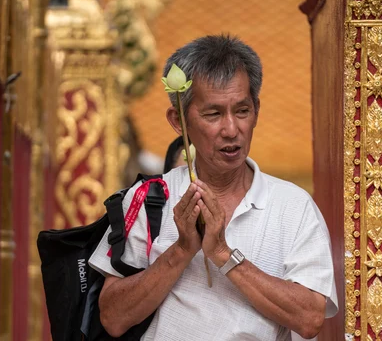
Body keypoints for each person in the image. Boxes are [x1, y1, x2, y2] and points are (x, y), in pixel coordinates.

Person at [89, 35, 338, 340]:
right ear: (179, 120)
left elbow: (310, 318)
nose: (232, 129)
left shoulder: (293, 206)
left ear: (256, 111)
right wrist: (182, 249)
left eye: (242, 111)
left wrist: (222, 253)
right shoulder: (150, 199)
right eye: (213, 114)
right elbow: (113, 318)